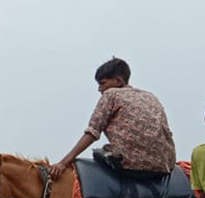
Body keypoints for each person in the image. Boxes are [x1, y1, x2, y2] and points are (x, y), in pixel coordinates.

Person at [46, 58, 175, 181]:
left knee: (99, 153)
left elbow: (92, 132)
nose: (100, 89)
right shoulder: (150, 97)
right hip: (164, 165)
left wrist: (63, 163)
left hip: (133, 166)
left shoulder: (111, 94)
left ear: (118, 81)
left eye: (102, 83)